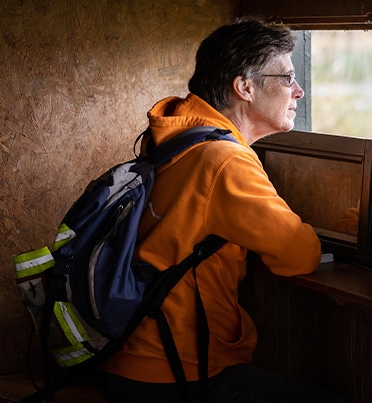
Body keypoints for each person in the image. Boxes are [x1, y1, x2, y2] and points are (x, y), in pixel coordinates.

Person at [99, 17, 345, 403]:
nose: (298, 91)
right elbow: (298, 254)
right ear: (244, 86)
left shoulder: (179, 138)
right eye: (287, 78)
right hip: (173, 370)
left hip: (124, 353)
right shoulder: (224, 161)